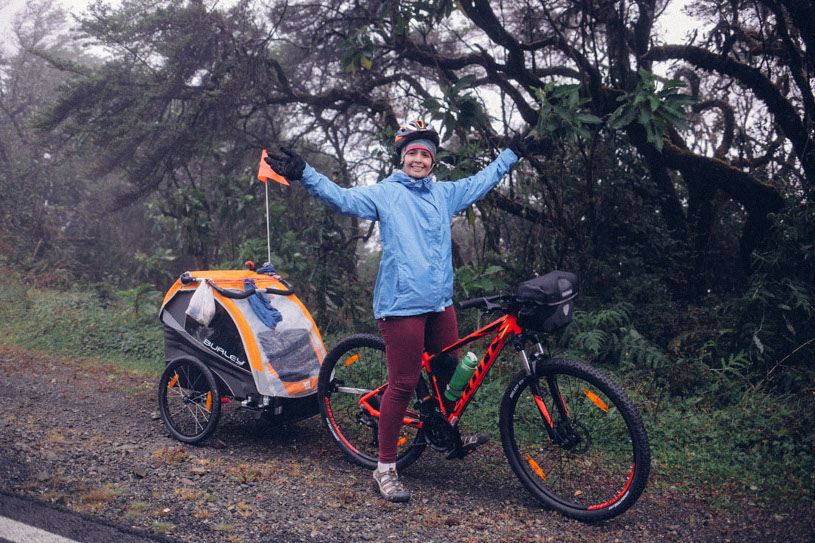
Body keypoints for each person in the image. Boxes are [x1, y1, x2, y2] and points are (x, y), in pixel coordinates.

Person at [266, 120, 540, 502]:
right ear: (402, 157)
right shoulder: (386, 194)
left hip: (439, 303)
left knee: (448, 366)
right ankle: (385, 469)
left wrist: (512, 154)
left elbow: (481, 181)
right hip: (400, 306)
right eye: (412, 152)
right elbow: (342, 198)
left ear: (432, 160)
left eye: (425, 153)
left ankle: (445, 431)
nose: (418, 158)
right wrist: (305, 174)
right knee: (403, 384)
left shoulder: (444, 194)